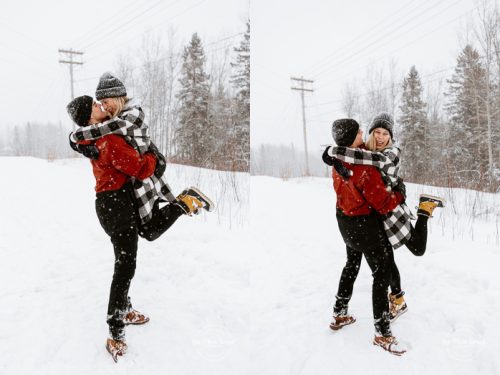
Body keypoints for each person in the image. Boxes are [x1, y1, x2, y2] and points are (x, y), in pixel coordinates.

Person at [67, 95, 214, 363]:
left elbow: (76, 136)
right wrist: (155, 160)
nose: (102, 106)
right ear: (89, 118)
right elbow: (138, 167)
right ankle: (115, 332)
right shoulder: (108, 140)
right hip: (116, 205)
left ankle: (126, 308)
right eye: (96, 106)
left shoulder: (89, 136)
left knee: (147, 234)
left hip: (112, 203)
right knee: (125, 267)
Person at [323, 112, 445, 321]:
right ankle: (397, 299)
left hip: (393, 210)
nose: (380, 137)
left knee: (417, 249)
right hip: (376, 215)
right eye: (376, 132)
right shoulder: (364, 149)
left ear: (391, 136)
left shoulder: (391, 153)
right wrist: (332, 156)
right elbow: (355, 155)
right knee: (386, 261)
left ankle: (424, 209)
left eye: (385, 133)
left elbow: (363, 159)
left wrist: (332, 153)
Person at [325, 118, 406, 355]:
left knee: (352, 263)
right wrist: (400, 194)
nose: (363, 132)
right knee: (381, 273)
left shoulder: (341, 158)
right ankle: (382, 333)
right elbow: (383, 203)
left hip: (344, 221)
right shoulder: (362, 167)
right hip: (364, 225)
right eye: (359, 130)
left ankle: (340, 313)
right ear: (351, 137)